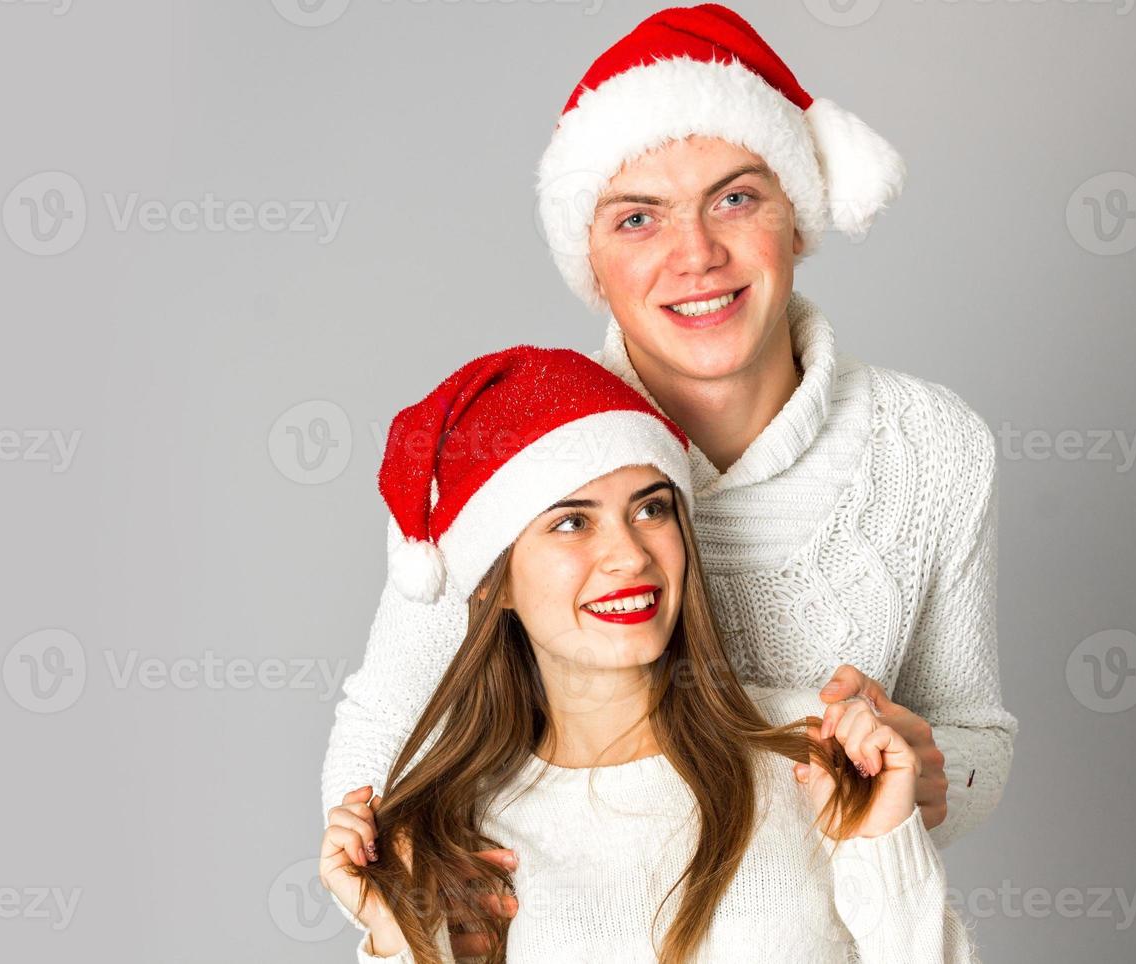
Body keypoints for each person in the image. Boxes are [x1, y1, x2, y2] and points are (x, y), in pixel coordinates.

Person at [322, 0, 1017, 945]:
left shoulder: (933, 447)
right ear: (591, 262)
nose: (696, 255)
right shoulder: (520, 456)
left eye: (736, 197)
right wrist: (409, 896)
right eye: (638, 217)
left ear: (801, 217)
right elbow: (385, 731)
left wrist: (923, 784)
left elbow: (974, 740)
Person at [320, 346, 980, 962]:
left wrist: (886, 843)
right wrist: (395, 933)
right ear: (495, 581)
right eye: (572, 522)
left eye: (652, 509)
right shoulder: (461, 834)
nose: (631, 555)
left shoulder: (814, 753)